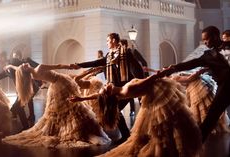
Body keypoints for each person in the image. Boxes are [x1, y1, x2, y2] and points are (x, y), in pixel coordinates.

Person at [69, 76, 201, 157]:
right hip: (158, 96)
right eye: (105, 87)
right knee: (166, 126)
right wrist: (162, 73)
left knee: (158, 129)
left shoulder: (117, 93)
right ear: (109, 92)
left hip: (152, 99)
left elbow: (99, 95)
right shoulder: (127, 89)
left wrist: (81, 98)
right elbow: (150, 80)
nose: (106, 84)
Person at [2, 63, 111, 148]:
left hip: (54, 88)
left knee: (63, 110)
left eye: (24, 64)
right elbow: (58, 66)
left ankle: (65, 129)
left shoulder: (30, 74)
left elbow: (19, 70)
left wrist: (10, 66)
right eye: (24, 65)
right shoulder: (39, 68)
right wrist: (70, 66)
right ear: (25, 70)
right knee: (71, 107)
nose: (25, 63)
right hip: (62, 82)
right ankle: (72, 130)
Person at [157, 26, 230, 142]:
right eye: (203, 40)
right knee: (212, 116)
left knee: (212, 116)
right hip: (225, 88)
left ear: (215, 36)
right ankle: (196, 144)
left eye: (207, 39)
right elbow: (192, 63)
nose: (205, 42)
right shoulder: (208, 55)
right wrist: (174, 68)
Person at [70, 33, 143, 143]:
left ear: (114, 40)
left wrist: (141, 85)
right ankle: (126, 135)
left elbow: (138, 69)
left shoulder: (127, 53)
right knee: (114, 109)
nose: (107, 43)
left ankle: (129, 135)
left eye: (108, 41)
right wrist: (80, 65)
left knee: (116, 109)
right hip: (115, 88)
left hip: (128, 87)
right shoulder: (109, 56)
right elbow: (96, 62)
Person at [0, 51, 41, 130]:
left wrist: (39, 79)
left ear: (3, 58)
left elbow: (26, 66)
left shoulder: (13, 61)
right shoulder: (6, 69)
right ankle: (28, 122)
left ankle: (26, 127)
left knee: (18, 107)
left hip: (30, 87)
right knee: (16, 108)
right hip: (23, 89)